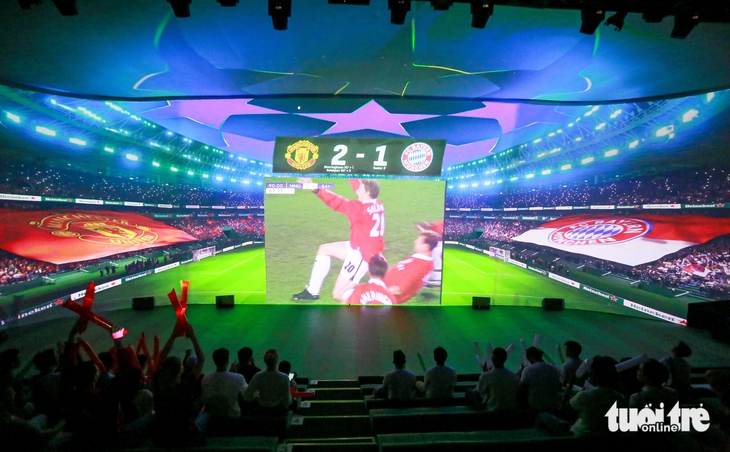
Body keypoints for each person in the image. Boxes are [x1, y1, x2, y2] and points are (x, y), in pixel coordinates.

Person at [293, 178, 385, 302]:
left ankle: (370, 300)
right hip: (360, 247)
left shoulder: (358, 209)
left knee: (338, 294)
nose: (357, 190)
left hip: (362, 256)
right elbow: (359, 188)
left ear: (367, 192)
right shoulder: (377, 204)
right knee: (324, 249)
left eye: (360, 189)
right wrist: (349, 174)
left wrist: (314, 188)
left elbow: (337, 202)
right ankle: (312, 291)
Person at [383, 232, 440, 304]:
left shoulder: (421, 266)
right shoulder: (418, 259)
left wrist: (377, 292)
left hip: (383, 299)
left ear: (425, 247)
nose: (414, 241)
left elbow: (399, 290)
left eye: (418, 241)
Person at [201, 348, 247, 419]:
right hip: (232, 418)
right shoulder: (238, 377)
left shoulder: (205, 378)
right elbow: (247, 394)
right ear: (227, 361)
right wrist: (236, 374)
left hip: (212, 418)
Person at [243, 349, 292, 416]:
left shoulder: (258, 376)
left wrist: (256, 396)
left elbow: (247, 397)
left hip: (261, 412)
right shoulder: (284, 377)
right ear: (277, 359)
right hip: (278, 413)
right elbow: (287, 402)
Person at [471, 347, 519, 412]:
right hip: (510, 410)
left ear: (492, 359)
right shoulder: (514, 376)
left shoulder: (486, 375)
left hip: (492, 410)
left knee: (469, 392)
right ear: (505, 359)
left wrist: (484, 373)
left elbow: (478, 391)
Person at [519, 347, 561, 412]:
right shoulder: (555, 368)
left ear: (530, 357)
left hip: (535, 406)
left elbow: (522, 388)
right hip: (553, 405)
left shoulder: (528, 370)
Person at [416, 221, 443, 287]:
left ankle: (438, 279)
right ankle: (433, 277)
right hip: (438, 244)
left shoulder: (437, 225)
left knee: (435, 258)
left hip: (439, 245)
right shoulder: (437, 224)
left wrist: (426, 232)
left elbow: (439, 237)